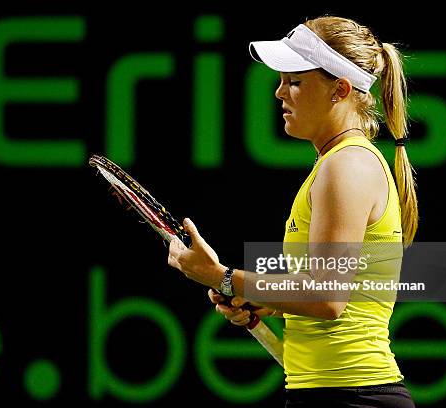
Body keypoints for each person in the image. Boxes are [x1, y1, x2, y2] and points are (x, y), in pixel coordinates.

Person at [167, 15, 418, 408]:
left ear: (340, 90)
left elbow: (328, 297)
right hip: (332, 395)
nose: (279, 93)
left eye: (295, 81)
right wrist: (267, 301)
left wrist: (224, 277)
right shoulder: (339, 162)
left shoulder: (346, 166)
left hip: (352, 399)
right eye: (282, 80)